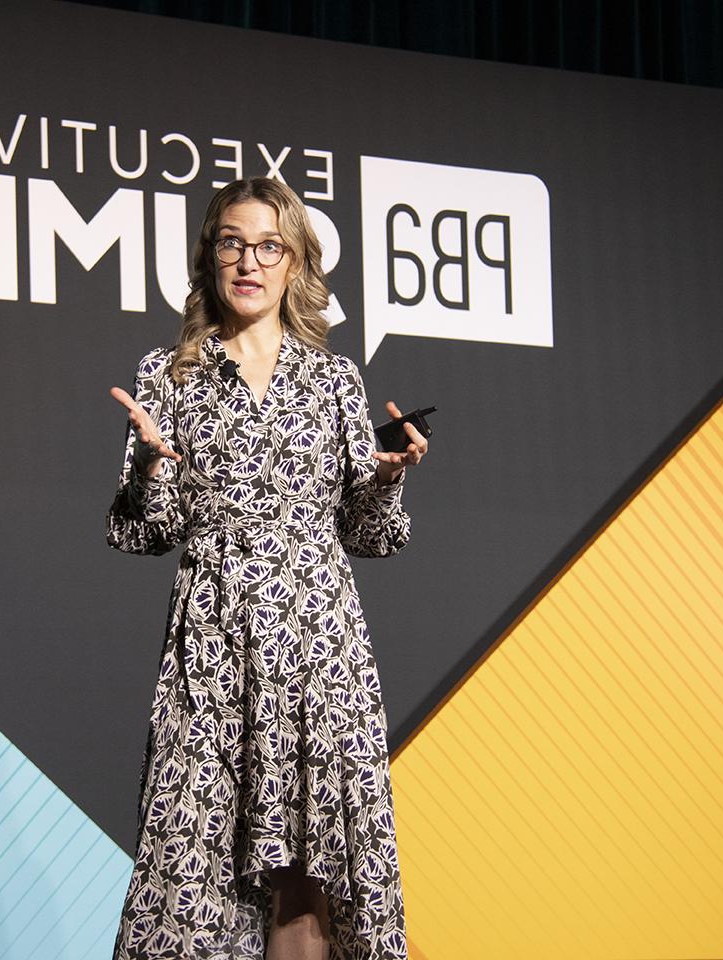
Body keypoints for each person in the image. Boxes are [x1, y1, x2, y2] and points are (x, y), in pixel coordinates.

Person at [106, 176, 429, 960]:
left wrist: (387, 478)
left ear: (295, 265)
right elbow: (143, 535)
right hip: (213, 655)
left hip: (319, 651)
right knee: (195, 873)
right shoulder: (169, 377)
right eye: (231, 243)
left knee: (305, 881)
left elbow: (371, 536)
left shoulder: (334, 380)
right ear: (208, 258)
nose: (248, 262)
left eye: (268, 247)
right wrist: (150, 469)